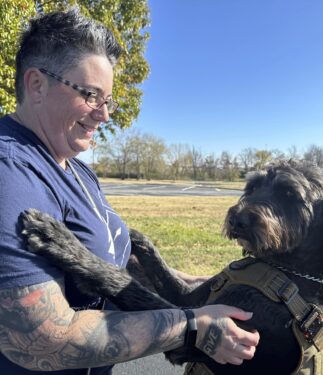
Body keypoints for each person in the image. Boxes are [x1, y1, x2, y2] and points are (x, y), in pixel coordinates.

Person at [0, 9, 259, 375]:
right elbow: (42, 340)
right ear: (37, 84)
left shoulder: (75, 168)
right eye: (91, 95)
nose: (104, 115)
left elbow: (113, 259)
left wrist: (194, 286)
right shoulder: (11, 171)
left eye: (108, 101)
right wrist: (191, 326)